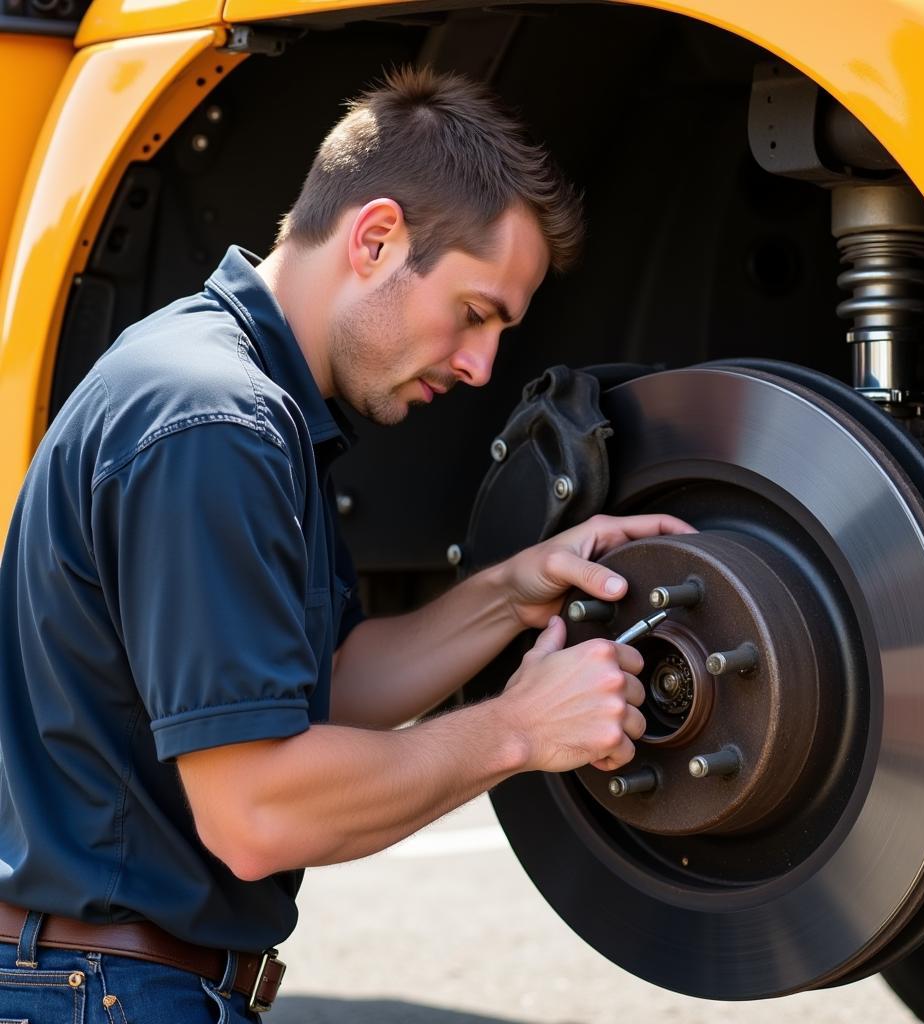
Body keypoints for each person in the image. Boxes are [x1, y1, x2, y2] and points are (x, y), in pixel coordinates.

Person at [0, 67, 691, 1021]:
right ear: (375, 239)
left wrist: (511, 594)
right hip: (105, 989)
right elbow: (256, 812)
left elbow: (330, 684)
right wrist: (521, 727)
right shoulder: (215, 422)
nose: (482, 364)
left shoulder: (252, 399)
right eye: (476, 312)